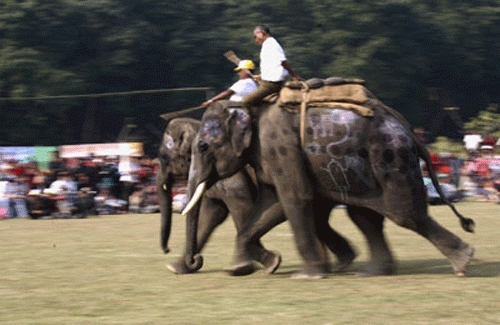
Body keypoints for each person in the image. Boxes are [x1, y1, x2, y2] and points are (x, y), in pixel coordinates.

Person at [241, 25, 301, 109]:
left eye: (256, 36)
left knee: (245, 101)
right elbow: (273, 66)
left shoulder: (271, 44)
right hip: (267, 83)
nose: (256, 40)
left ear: (262, 33)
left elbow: (282, 61)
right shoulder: (267, 45)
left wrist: (294, 75)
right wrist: (260, 76)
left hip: (270, 85)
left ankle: (253, 121)